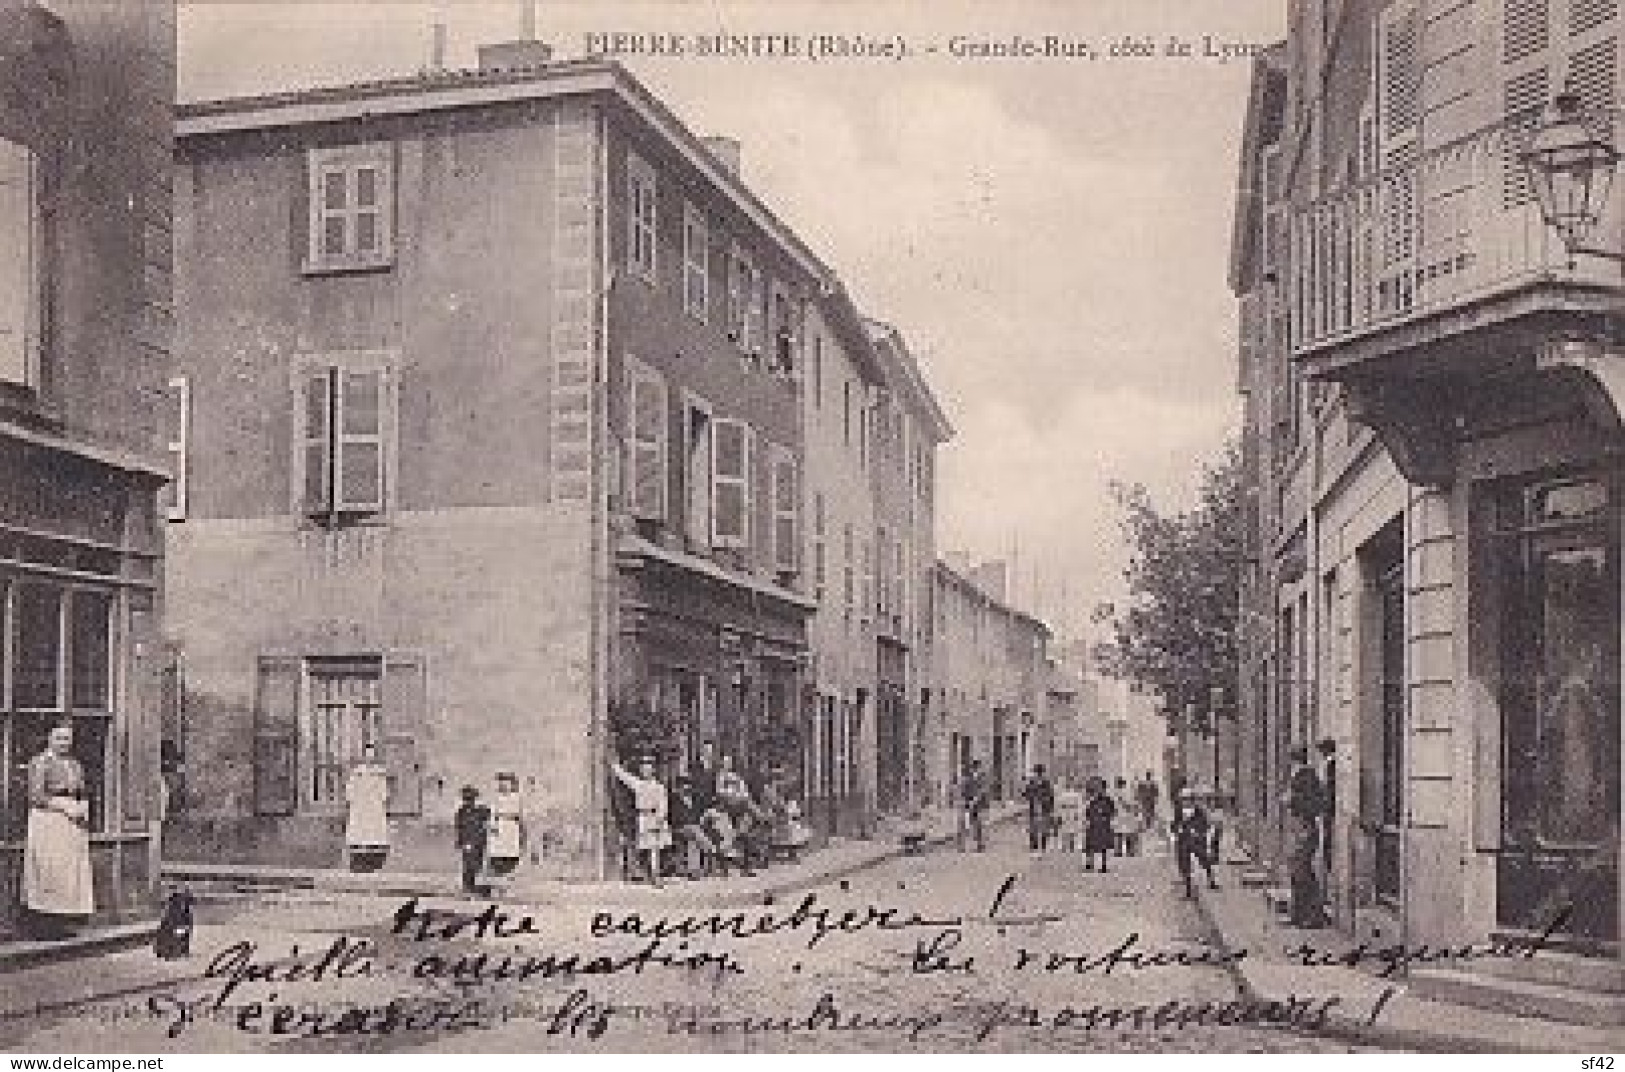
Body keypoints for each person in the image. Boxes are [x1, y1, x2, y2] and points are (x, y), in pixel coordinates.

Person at [23, 722, 93, 939]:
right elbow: (36, 796)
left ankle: (61, 923)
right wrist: (63, 807)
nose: (65, 743)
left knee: (66, 872)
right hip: (48, 820)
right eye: (60, 738)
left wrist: (82, 807)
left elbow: (82, 791)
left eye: (68, 739)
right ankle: (43, 926)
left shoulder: (75, 765)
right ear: (49, 739)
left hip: (70, 824)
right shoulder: (40, 762)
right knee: (48, 869)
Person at [1284, 745, 1330, 927]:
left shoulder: (1306, 776)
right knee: (1297, 871)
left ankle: (1313, 915)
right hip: (1300, 827)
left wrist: (1292, 801)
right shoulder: (1301, 775)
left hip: (1305, 827)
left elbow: (1314, 802)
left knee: (1303, 872)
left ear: (1295, 760)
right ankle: (1298, 914)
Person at [610, 754, 672, 887]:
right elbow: (624, 777)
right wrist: (614, 765)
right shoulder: (639, 784)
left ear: (653, 770)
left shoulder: (659, 787)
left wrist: (659, 819)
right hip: (643, 818)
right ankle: (641, 873)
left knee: (654, 849)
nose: (646, 771)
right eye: (644, 769)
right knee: (644, 847)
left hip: (654, 817)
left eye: (649, 768)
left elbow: (663, 804)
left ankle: (655, 876)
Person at [1171, 788, 1220, 897]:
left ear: (1192, 800)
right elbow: (1174, 824)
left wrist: (1197, 831)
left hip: (1196, 840)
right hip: (1183, 840)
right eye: (1183, 799)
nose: (1185, 802)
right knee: (1184, 864)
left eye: (1188, 799)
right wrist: (1176, 830)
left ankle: (1211, 879)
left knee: (1204, 859)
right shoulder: (1179, 811)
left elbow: (1204, 824)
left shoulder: (1198, 811)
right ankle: (1188, 889)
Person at [668, 776, 716, 878]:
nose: (686, 789)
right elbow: (674, 818)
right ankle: (711, 848)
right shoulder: (674, 800)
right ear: (678, 788)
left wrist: (702, 818)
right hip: (679, 828)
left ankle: (694, 871)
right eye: (683, 787)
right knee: (695, 832)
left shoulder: (694, 800)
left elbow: (699, 814)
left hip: (693, 829)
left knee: (693, 840)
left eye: (688, 786)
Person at [454, 786, 491, 895]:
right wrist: (461, 841)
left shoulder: (480, 810)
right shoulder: (461, 812)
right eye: (466, 798)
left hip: (479, 841)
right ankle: (468, 886)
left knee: (477, 863)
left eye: (471, 798)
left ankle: (471, 885)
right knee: (468, 863)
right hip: (468, 841)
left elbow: (490, 817)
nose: (468, 800)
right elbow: (460, 828)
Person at [487, 772, 525, 876]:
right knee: (498, 851)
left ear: (512, 784)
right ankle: (499, 872)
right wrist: (493, 825)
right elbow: (492, 813)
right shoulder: (496, 798)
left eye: (506, 783)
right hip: (500, 826)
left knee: (511, 850)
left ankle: (508, 871)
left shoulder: (516, 798)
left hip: (511, 827)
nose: (503, 786)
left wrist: (521, 827)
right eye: (501, 784)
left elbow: (520, 815)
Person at [1083, 777, 1116, 872]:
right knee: (1090, 845)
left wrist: (1105, 817)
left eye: (1101, 788)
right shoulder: (1092, 800)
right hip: (1094, 824)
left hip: (1103, 825)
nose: (1099, 790)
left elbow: (1112, 812)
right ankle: (1089, 864)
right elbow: (1088, 812)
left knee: (1104, 847)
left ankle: (1104, 865)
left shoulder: (1108, 801)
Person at [1021, 765, 1056, 853]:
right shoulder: (1032, 783)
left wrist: (1049, 806)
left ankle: (1042, 846)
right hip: (1035, 807)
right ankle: (1035, 846)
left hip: (1043, 808)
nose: (1038, 776)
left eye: (1038, 774)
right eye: (1037, 773)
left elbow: (1051, 796)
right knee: (1034, 827)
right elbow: (1026, 794)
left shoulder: (1046, 783)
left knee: (1043, 828)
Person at [958, 758, 989, 853]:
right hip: (968, 805)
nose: (976, 770)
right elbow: (963, 791)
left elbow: (983, 791)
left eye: (977, 768)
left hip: (979, 806)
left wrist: (976, 799)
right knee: (964, 825)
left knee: (979, 826)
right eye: (975, 768)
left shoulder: (983, 779)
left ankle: (980, 845)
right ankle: (962, 846)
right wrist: (965, 801)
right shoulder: (967, 779)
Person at [1317, 737, 1337, 880]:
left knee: (1327, 841)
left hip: (1329, 809)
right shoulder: (1328, 764)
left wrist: (1324, 806)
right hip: (1327, 809)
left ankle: (1328, 872)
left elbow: (1329, 789)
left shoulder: (1331, 764)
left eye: (1322, 750)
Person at [1112, 776, 1142, 857]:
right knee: (1129, 834)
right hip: (1126, 815)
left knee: (1119, 834)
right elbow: (1131, 804)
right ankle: (1130, 851)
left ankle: (1118, 851)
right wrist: (1134, 810)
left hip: (1118, 815)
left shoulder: (1113, 794)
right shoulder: (1127, 793)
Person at [1054, 779, 1085, 853]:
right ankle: (1068, 845)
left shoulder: (1063, 795)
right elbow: (1080, 805)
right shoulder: (1075, 795)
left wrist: (1058, 813)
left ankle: (1067, 845)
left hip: (1067, 811)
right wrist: (1079, 813)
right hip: (1070, 811)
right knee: (1069, 829)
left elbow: (1058, 805)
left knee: (1068, 828)